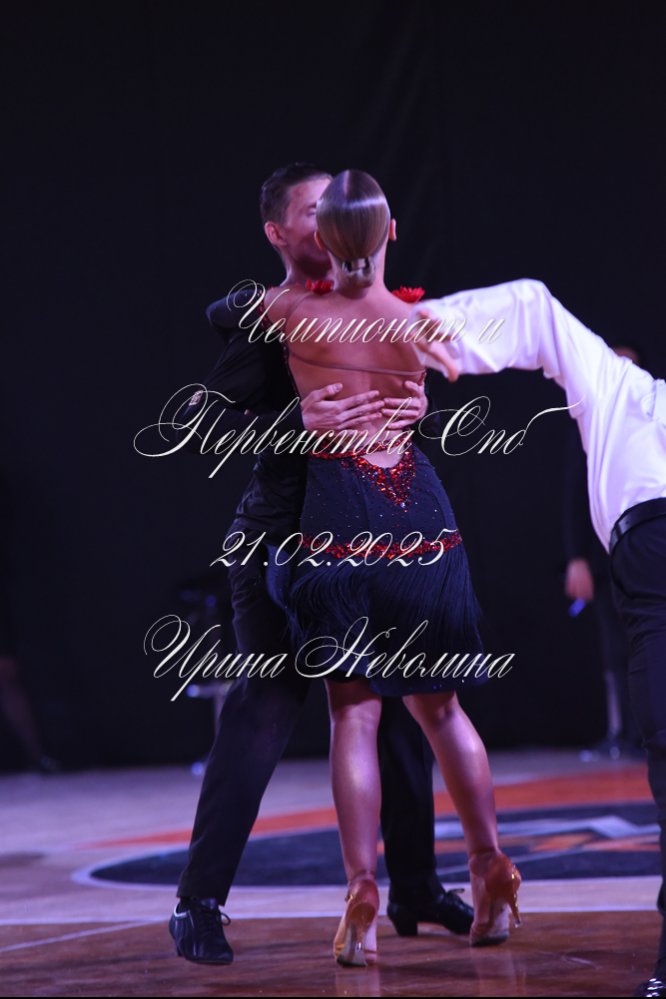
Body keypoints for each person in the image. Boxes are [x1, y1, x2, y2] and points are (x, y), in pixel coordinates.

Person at [169, 164, 474, 966]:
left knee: (399, 704)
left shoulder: (375, 307)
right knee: (266, 708)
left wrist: (413, 409)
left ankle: (414, 885)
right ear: (280, 233)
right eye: (312, 211)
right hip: (278, 539)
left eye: (336, 205)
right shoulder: (271, 319)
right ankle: (198, 900)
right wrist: (291, 419)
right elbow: (199, 423)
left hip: (366, 533)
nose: (330, 217)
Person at [263, 170, 520, 967]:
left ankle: (361, 887)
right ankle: (491, 864)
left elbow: (231, 319)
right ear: (392, 234)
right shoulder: (418, 320)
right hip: (420, 512)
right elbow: (451, 369)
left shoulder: (288, 313)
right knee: (441, 710)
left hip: (341, 513)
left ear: (323, 238)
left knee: (354, 714)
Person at [413, 279, 666, 999]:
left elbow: (535, 311)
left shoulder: (619, 388)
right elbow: (534, 311)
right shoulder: (619, 383)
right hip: (650, 558)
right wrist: (411, 327)